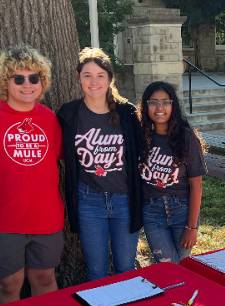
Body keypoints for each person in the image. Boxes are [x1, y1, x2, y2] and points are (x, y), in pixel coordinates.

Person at [0, 45, 63, 305]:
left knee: (45, 278)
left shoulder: (49, 119)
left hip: (46, 218)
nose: (27, 84)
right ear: (5, 81)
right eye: (18, 78)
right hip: (2, 220)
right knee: (8, 283)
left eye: (34, 78)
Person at [57, 47, 143, 281]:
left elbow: (143, 151)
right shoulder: (69, 114)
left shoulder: (127, 113)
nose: (93, 82)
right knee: (96, 271)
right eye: (87, 75)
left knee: (125, 268)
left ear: (110, 78)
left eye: (100, 75)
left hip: (124, 199)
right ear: (79, 78)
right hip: (89, 201)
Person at [139, 81, 207, 263]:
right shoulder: (140, 137)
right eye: (153, 102)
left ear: (173, 105)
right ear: (146, 106)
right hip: (152, 212)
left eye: (165, 102)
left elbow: (196, 184)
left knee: (183, 267)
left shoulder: (186, 137)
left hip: (182, 211)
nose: (159, 107)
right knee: (167, 266)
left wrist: (191, 227)